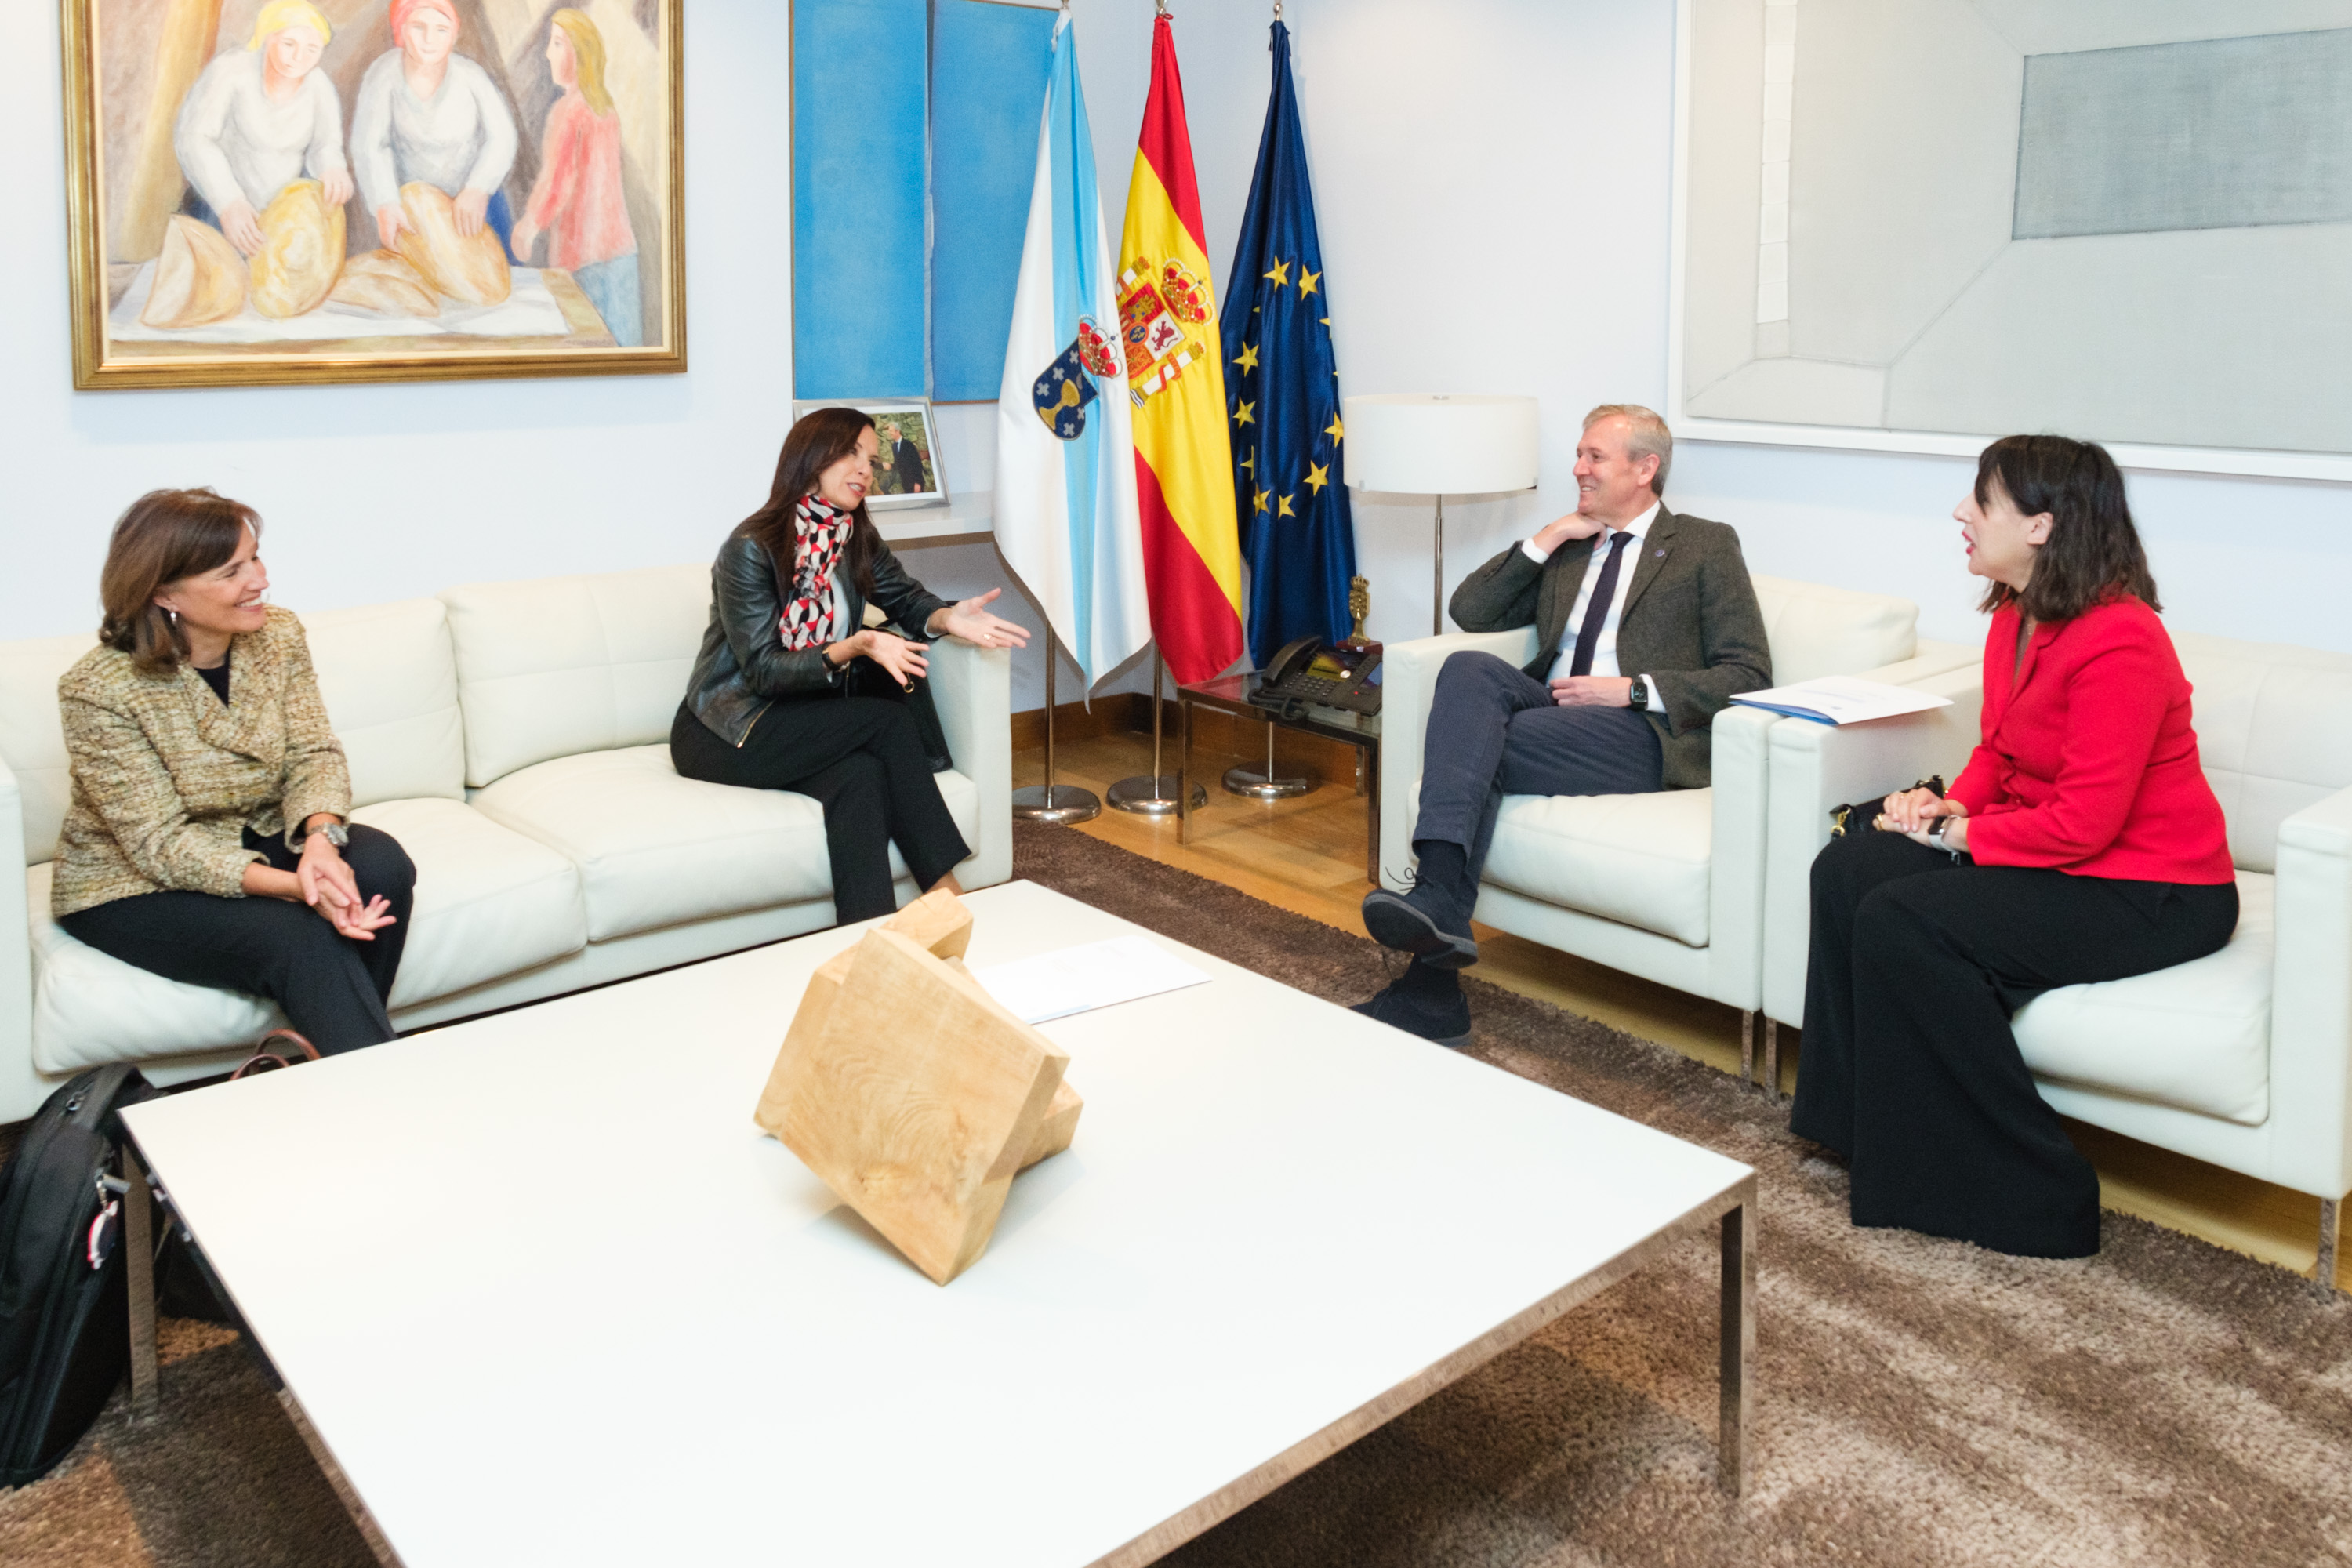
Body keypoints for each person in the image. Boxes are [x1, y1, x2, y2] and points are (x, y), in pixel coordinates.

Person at [1790, 435, 2238, 1259]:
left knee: (1905, 919)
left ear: (2041, 525)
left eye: (1982, 499)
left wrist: (1955, 835)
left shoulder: (2123, 639)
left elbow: (2083, 825)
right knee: (1849, 865)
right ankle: (1863, 1128)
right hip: (2067, 855)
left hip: (2155, 889)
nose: (1962, 513)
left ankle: (2035, 1197)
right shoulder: (2014, 613)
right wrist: (1950, 802)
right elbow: (1999, 751)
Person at [1353, 404, 1772, 1046]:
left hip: (1640, 731)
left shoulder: (1704, 545)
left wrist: (1632, 689)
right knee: (1467, 668)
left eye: (1594, 457)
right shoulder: (1574, 547)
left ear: (1645, 468)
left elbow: (1748, 673)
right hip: (1550, 706)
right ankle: (1437, 930)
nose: (1577, 468)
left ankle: (1433, 946)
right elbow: (1470, 610)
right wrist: (1546, 538)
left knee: (1478, 747)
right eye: (1578, 455)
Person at [53, 489, 416, 1057]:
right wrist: (299, 887)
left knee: (380, 864)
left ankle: (328, 1059)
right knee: (297, 935)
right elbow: (159, 844)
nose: (260, 581)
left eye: (255, 558)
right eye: (231, 572)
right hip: (131, 882)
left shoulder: (278, 635)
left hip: (256, 832)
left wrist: (321, 843)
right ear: (163, 592)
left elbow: (314, 752)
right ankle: (376, 1078)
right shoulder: (99, 689)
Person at [672, 408, 1032, 924]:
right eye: (850, 454)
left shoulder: (852, 537)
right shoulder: (751, 548)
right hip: (728, 727)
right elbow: (764, 672)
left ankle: (867, 934)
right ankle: (948, 896)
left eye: (873, 459)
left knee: (860, 776)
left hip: (801, 716)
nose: (866, 469)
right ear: (811, 460)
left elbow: (906, 599)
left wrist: (949, 617)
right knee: (883, 721)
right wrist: (854, 646)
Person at [172, 0, 354, 257]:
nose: (299, 58)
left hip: (281, 220)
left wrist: (332, 168)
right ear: (268, 37)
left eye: (312, 49)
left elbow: (325, 146)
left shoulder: (319, 87)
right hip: (217, 211)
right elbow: (193, 139)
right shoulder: (231, 71)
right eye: (289, 44)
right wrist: (228, 202)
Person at [509, 9, 642, 345]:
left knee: (588, 351)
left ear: (579, 52)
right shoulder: (605, 110)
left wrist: (528, 227)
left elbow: (558, 182)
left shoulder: (567, 111)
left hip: (581, 256)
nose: (547, 54)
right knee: (626, 351)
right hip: (621, 253)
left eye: (557, 44)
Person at [351, 0, 521, 258]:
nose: (429, 39)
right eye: (418, 27)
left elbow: (502, 137)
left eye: (442, 29)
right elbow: (370, 144)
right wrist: (385, 202)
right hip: (414, 209)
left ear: (454, 34)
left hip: (473, 203)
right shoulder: (383, 74)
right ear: (401, 29)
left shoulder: (471, 76)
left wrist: (477, 188)